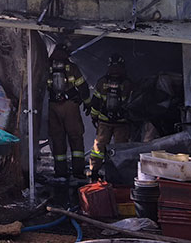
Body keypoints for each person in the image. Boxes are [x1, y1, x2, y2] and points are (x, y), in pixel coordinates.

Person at [46, 44, 88, 182]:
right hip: (70, 106)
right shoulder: (72, 67)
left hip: (53, 106)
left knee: (58, 139)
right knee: (75, 138)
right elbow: (82, 86)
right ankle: (78, 171)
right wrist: (87, 102)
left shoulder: (47, 67)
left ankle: (60, 172)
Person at [87, 53, 132, 180]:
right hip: (122, 123)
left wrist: (94, 117)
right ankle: (120, 173)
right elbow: (133, 104)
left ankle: (94, 171)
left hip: (104, 121)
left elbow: (95, 102)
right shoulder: (128, 84)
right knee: (121, 149)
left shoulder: (102, 82)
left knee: (98, 147)